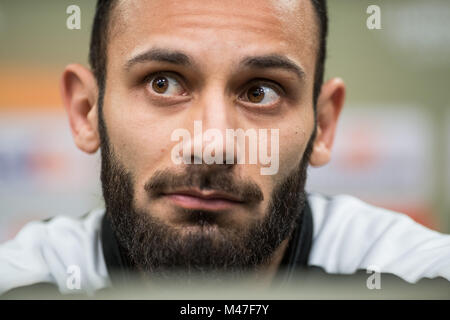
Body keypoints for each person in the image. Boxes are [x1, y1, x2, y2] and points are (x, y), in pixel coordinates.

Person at [1, 0, 449, 297]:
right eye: (164, 83)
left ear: (324, 125)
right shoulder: (24, 282)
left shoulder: (416, 278)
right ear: (86, 112)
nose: (212, 145)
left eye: (261, 92)